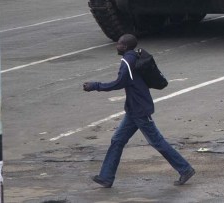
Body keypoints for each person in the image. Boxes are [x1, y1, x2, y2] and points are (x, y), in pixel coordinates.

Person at [83, 33, 195, 188]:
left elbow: (120, 82)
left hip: (139, 109)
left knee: (157, 141)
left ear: (126, 46)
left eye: (120, 43)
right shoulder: (134, 56)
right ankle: (106, 177)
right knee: (117, 140)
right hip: (133, 109)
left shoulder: (127, 61)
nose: (117, 45)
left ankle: (185, 169)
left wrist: (95, 86)